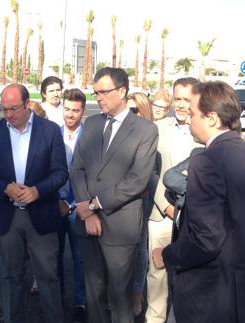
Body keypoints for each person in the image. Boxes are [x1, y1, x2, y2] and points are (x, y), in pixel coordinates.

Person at [152, 81, 245, 323]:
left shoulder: (206, 161)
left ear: (211, 118)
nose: (188, 119)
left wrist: (168, 255)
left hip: (214, 295)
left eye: (193, 114)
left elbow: (205, 240)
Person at [70, 67, 159, 323]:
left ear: (122, 91)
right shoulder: (92, 123)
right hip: (88, 221)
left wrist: (94, 205)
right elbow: (77, 168)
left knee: (120, 296)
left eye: (103, 92)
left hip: (121, 226)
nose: (98, 98)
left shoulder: (145, 130)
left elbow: (137, 181)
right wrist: (86, 211)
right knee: (93, 291)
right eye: (95, 92)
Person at [0, 83, 68, 323]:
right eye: (5, 109)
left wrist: (38, 191)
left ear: (28, 104)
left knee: (48, 277)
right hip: (7, 216)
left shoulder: (50, 131)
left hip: (42, 214)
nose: (9, 115)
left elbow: (60, 173)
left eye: (14, 109)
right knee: (10, 276)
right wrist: (5, 187)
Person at [146, 77, 200, 323]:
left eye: (186, 100)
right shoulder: (157, 128)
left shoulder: (206, 131)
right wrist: (166, 206)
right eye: (177, 98)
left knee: (187, 275)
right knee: (156, 273)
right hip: (161, 214)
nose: (180, 104)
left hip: (193, 218)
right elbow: (149, 173)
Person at [57, 88, 87, 322]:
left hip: (80, 207)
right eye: (67, 109)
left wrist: (75, 203)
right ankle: (56, 298)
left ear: (83, 111)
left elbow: (93, 175)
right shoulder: (52, 134)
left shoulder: (91, 137)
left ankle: (80, 302)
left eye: (75, 110)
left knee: (80, 258)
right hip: (54, 206)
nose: (70, 114)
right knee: (53, 256)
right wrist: (58, 201)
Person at [126, 91, 153, 316]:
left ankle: (136, 293)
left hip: (144, 200)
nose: (130, 114)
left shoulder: (152, 133)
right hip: (119, 201)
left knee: (139, 249)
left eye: (134, 110)